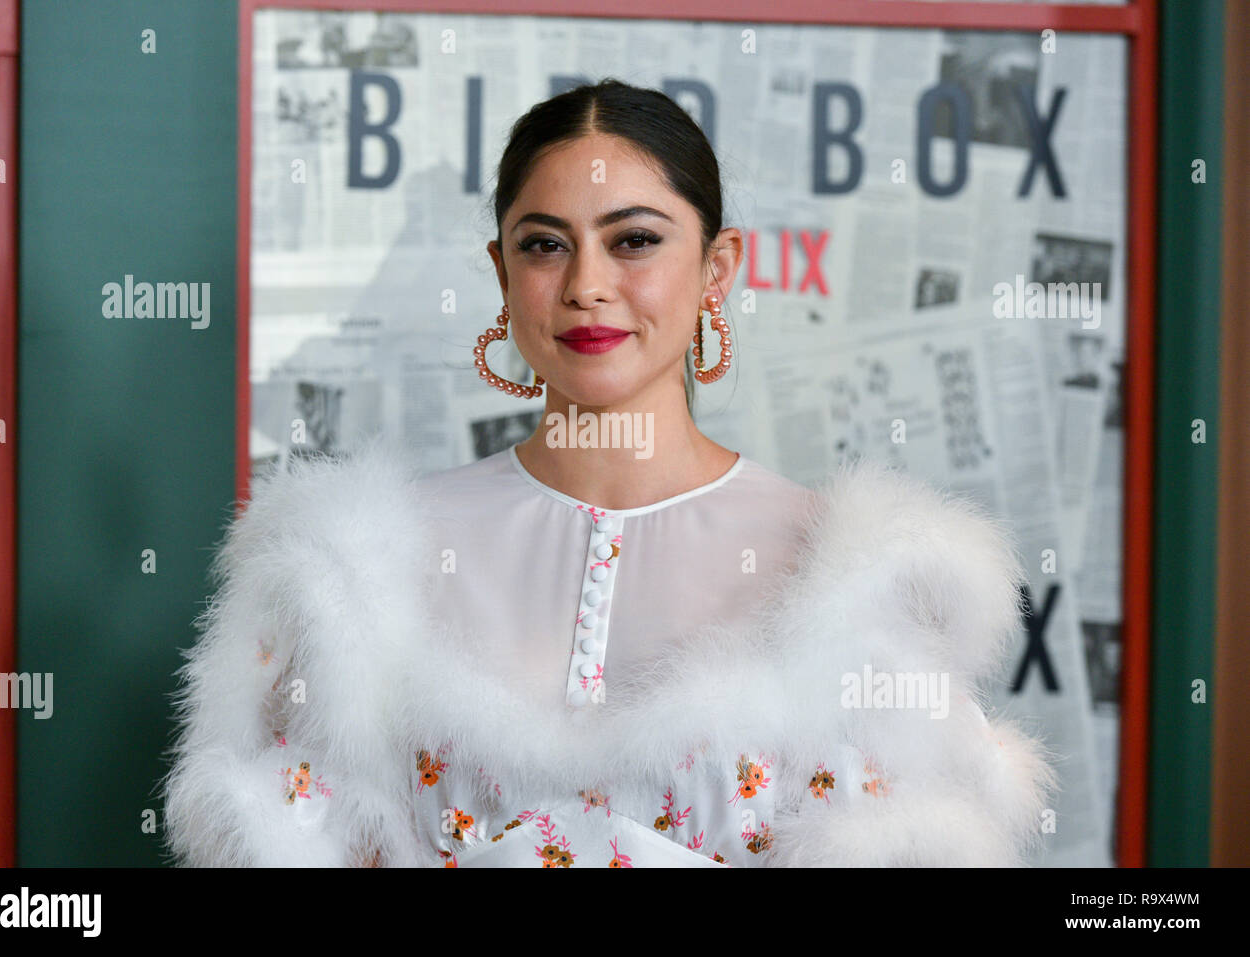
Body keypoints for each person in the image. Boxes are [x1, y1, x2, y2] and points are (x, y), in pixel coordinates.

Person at [158, 79, 1056, 868]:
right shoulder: (354, 569)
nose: (587, 283)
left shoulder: (848, 574)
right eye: (545, 245)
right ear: (502, 275)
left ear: (718, 269)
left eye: (633, 240)